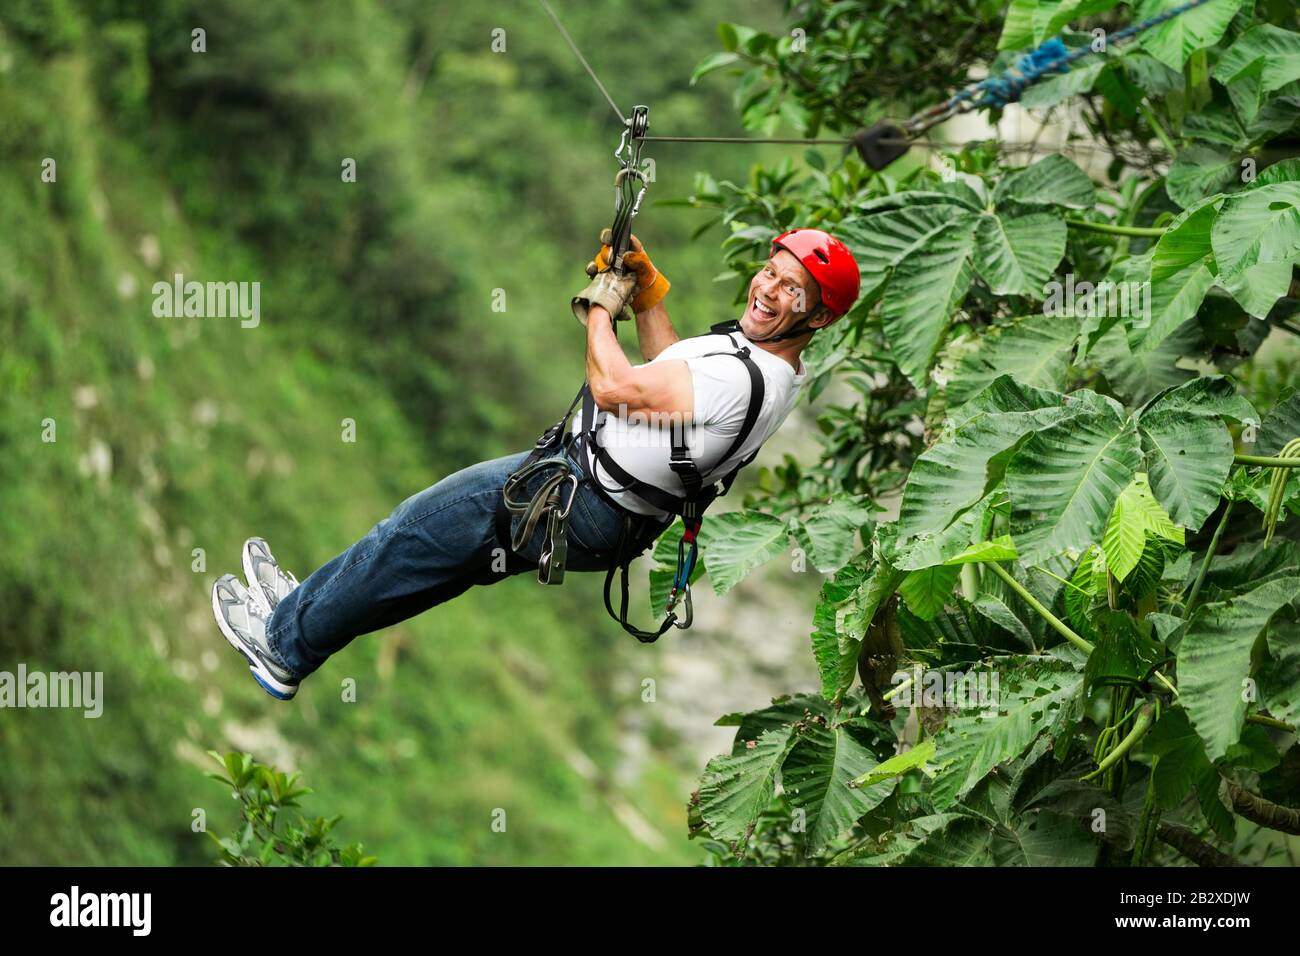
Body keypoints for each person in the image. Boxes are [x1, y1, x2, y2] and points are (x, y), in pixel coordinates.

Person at [211, 228, 861, 699]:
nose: (769, 289)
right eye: (771, 272)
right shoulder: (768, 360)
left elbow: (615, 388)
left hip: (576, 496)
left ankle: (284, 644)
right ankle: (299, 615)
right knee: (428, 565)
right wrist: (644, 292)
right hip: (594, 505)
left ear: (820, 316)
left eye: (792, 289)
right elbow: (672, 377)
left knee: (410, 533)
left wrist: (598, 311)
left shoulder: (748, 379)